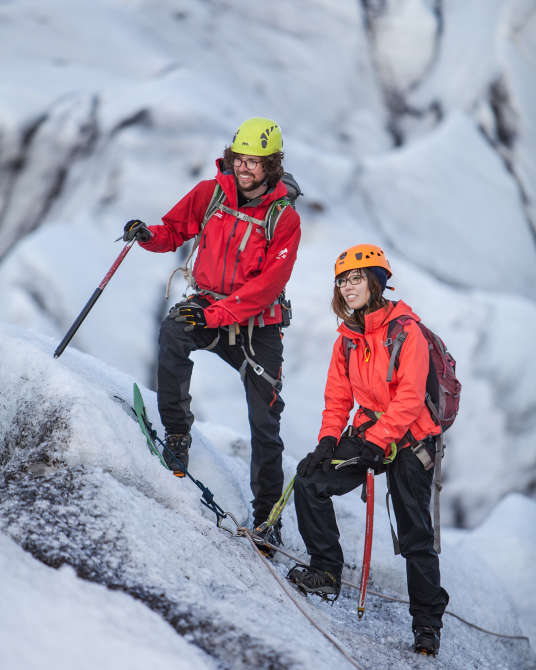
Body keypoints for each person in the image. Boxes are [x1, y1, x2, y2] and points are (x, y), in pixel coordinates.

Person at [122, 118, 301, 555]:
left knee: (265, 424)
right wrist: (148, 235)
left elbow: (267, 287)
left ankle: (267, 520)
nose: (245, 168)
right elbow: (175, 230)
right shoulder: (211, 193)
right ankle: (178, 433)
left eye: (255, 162)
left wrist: (217, 315)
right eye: (240, 158)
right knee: (173, 334)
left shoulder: (284, 218)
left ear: (272, 166)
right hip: (211, 305)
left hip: (258, 324)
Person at [288, 244, 449, 656]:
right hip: (371, 431)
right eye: (342, 280)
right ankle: (325, 571)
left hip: (412, 439)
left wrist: (380, 444)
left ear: (376, 282)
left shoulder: (406, 331)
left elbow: (411, 397)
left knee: (415, 533)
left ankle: (427, 624)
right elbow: (337, 397)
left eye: (355, 278)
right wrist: (328, 440)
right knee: (311, 480)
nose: (347, 286)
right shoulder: (347, 339)